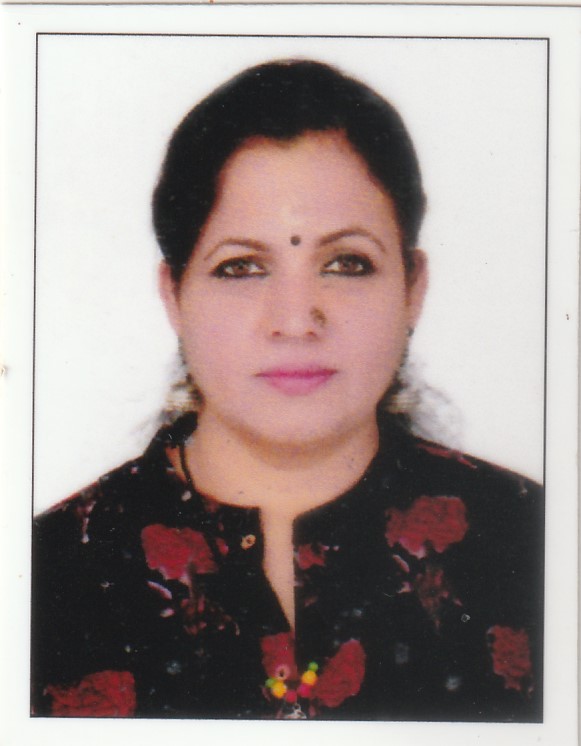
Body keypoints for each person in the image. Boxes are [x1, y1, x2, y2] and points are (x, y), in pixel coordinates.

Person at [31, 59, 543, 721]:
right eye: (241, 267)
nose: (296, 321)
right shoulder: (43, 576)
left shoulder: (537, 544)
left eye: (347, 263)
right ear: (174, 295)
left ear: (412, 288)